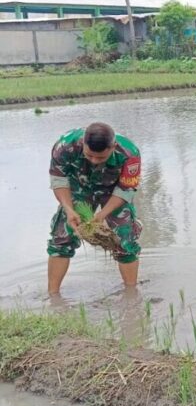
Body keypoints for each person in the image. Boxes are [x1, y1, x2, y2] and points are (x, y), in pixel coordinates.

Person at [47, 122, 142, 295]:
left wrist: (102, 215)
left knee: (125, 243)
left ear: (113, 147)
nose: (94, 161)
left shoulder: (129, 154)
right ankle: (52, 295)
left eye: (101, 158)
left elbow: (126, 189)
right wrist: (68, 209)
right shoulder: (64, 146)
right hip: (79, 189)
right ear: (83, 143)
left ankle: (131, 294)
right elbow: (59, 181)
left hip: (114, 193)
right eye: (89, 155)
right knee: (61, 240)